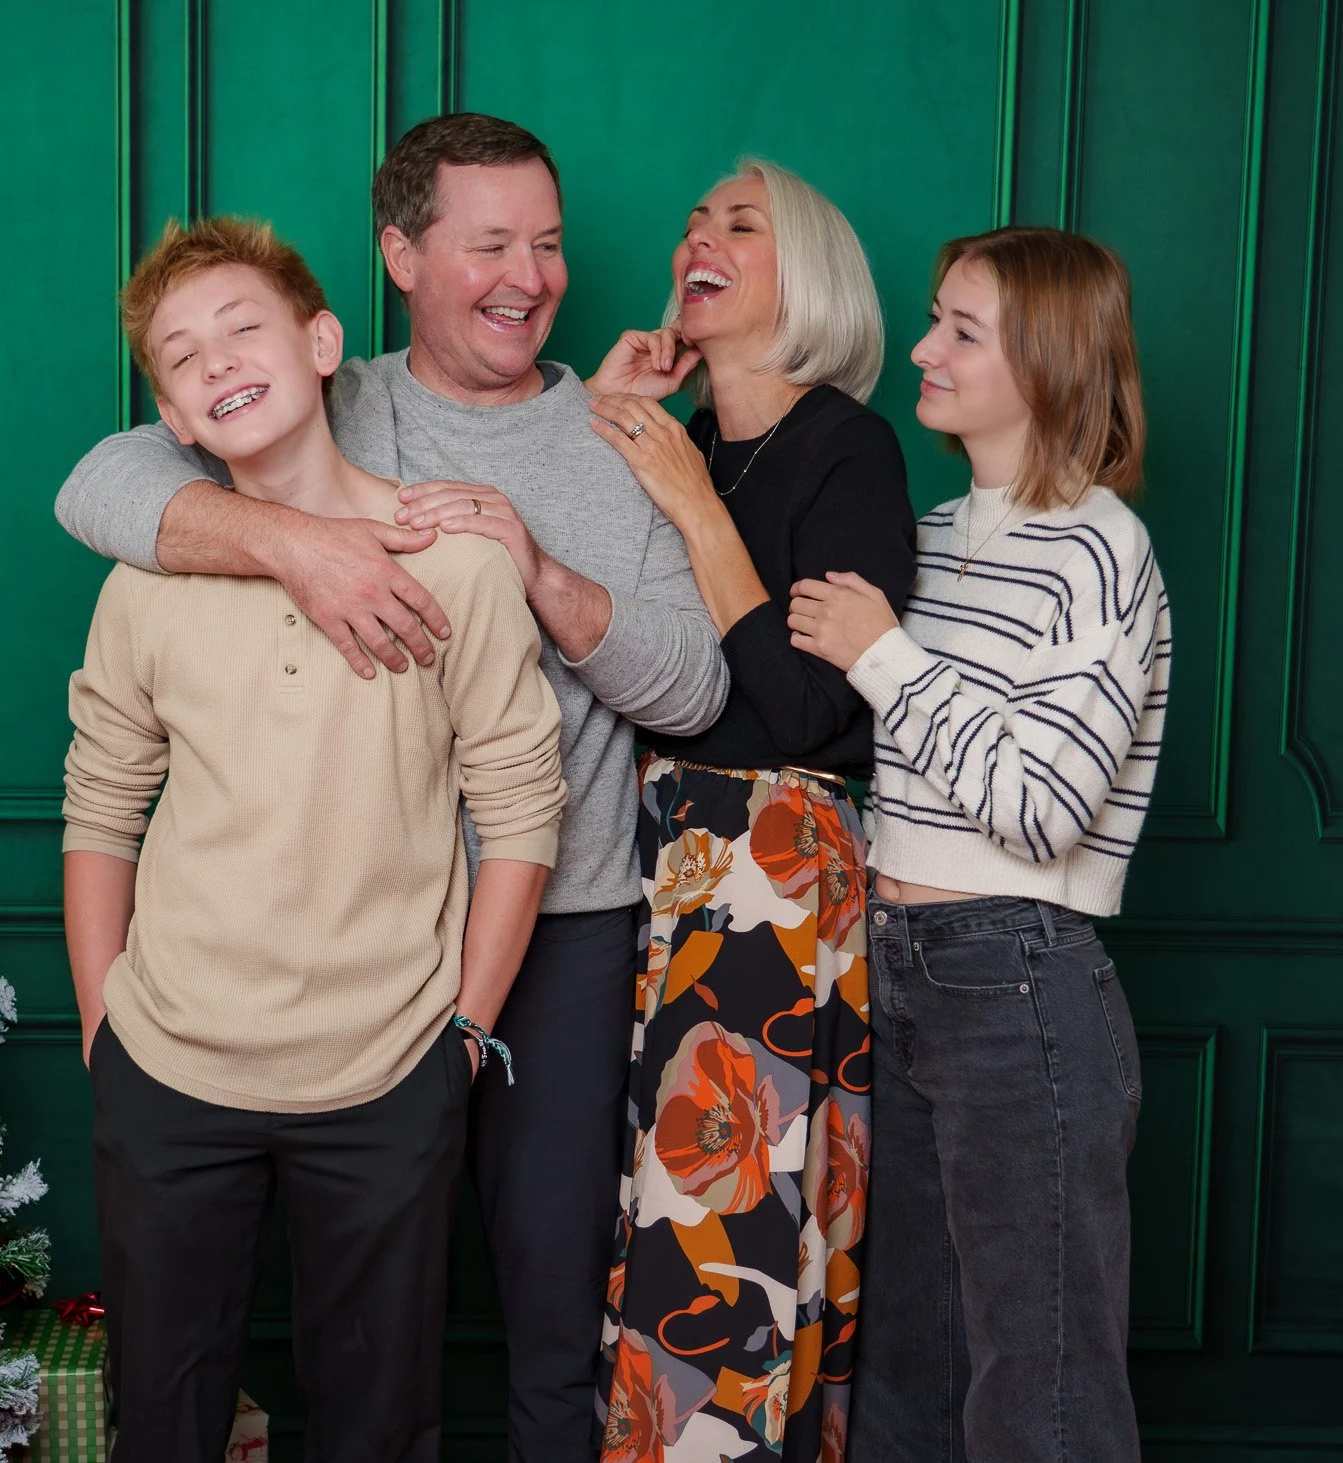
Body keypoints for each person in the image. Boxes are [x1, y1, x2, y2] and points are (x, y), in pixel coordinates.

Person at [55, 113, 727, 1458]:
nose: (526, 275)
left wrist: (537, 571)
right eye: (488, 245)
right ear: (401, 257)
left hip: (532, 942)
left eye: (545, 245)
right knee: (190, 1388)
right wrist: (297, 545)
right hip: (249, 1001)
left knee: (529, 1321)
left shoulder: (612, 437)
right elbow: (101, 493)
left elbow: (690, 695)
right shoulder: (310, 406)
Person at [61, 216, 568, 1462]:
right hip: (169, 1065)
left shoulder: (453, 564)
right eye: (180, 357)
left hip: (386, 1068)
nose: (217, 360)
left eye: (242, 326)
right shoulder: (145, 585)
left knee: (378, 1428)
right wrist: (102, 1023)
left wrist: (459, 1037)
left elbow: (518, 806)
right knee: (162, 1424)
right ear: (170, 420)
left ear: (323, 342)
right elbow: (101, 803)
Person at [787, 226, 1171, 1462]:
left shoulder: (1099, 548)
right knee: (906, 1361)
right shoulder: (933, 537)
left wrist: (881, 653)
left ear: (1048, 362)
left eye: (961, 329)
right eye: (931, 318)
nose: (920, 347)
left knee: (1038, 1381)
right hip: (891, 966)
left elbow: (1043, 804)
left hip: (1016, 978)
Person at [583, 159, 916, 1461]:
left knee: (727, 1231)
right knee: (644, 1222)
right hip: (654, 858)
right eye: (691, 222)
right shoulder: (684, 441)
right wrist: (610, 427)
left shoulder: (849, 445)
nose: (696, 239)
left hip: (778, 868)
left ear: (811, 273)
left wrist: (691, 505)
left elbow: (810, 716)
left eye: (740, 223)